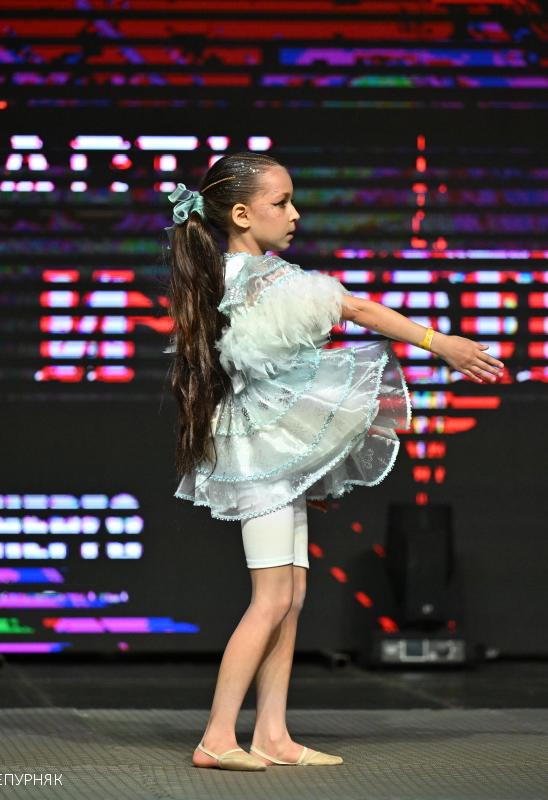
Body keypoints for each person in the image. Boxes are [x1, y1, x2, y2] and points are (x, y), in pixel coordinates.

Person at [164, 152, 504, 771]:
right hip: (259, 459)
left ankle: (272, 734)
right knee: (271, 599)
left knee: (291, 597)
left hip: (270, 456)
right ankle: (216, 736)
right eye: (281, 203)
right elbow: (356, 309)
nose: (294, 214)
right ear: (241, 215)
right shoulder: (256, 278)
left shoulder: (252, 274)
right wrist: (440, 343)